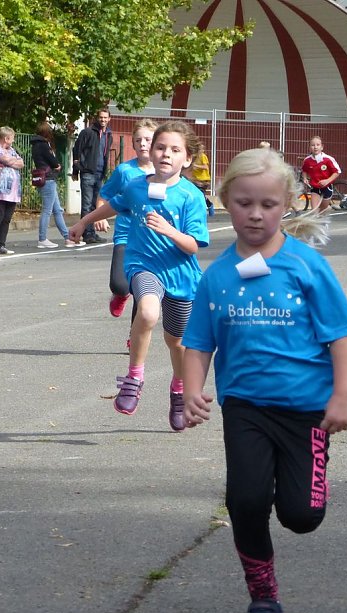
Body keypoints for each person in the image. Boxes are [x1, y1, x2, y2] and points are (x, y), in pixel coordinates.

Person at [181, 147, 347, 613]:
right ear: (225, 202)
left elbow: (341, 335)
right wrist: (192, 391)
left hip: (307, 412)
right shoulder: (217, 275)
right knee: (246, 500)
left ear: (287, 204)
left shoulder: (306, 266)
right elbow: (199, 342)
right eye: (244, 203)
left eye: (267, 204)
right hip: (246, 407)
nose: (255, 214)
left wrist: (342, 395)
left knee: (301, 516)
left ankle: (301, 478)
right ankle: (263, 601)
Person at [67, 121, 210, 431]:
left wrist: (170, 231)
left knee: (177, 342)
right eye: (161, 147)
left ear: (187, 159)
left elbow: (193, 245)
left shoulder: (191, 196)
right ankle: (134, 378)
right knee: (146, 312)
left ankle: (178, 390)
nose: (166, 154)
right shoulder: (135, 186)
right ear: (151, 152)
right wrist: (83, 223)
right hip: (143, 265)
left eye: (175, 150)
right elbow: (114, 206)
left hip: (180, 274)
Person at [75, 118, 157, 319]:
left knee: (144, 293)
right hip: (126, 234)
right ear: (133, 144)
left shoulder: (163, 172)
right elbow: (104, 195)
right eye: (138, 140)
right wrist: (99, 216)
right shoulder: (124, 171)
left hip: (151, 238)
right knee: (120, 284)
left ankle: (135, 334)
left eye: (148, 140)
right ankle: (120, 295)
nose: (143, 144)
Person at [32, 122, 78, 249]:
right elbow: (53, 161)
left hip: (44, 179)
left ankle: (67, 237)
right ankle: (42, 239)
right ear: (47, 132)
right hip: (48, 179)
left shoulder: (35, 144)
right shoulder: (43, 145)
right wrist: (57, 165)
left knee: (57, 210)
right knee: (47, 210)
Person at [72, 109, 112, 244]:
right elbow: (77, 150)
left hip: (100, 174)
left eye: (105, 117)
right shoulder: (87, 132)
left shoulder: (108, 134)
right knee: (87, 205)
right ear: (97, 118)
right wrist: (76, 170)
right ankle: (86, 233)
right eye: (101, 117)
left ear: (109, 119)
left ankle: (92, 232)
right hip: (88, 172)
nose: (103, 120)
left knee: (96, 204)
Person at [0, 126, 24, 254]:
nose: (13, 141)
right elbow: (5, 159)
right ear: (6, 138)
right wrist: (12, 161)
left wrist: (12, 161)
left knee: (6, 218)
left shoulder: (11, 150)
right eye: (12, 138)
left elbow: (21, 163)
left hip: (12, 192)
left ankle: (0, 244)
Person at [300, 136, 341, 215]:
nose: (315, 147)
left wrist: (327, 181)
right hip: (315, 187)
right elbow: (304, 170)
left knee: (322, 210)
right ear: (310, 147)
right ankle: (316, 218)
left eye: (318, 145)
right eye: (313, 145)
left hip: (326, 187)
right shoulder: (307, 160)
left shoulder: (328, 159)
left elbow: (337, 172)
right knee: (314, 211)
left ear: (322, 147)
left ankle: (325, 213)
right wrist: (305, 178)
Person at [188, 148, 214, 217]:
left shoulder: (202, 156)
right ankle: (203, 207)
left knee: (200, 195)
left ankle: (209, 205)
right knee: (195, 194)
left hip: (203, 180)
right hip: (195, 180)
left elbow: (206, 167)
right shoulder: (192, 157)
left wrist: (195, 166)